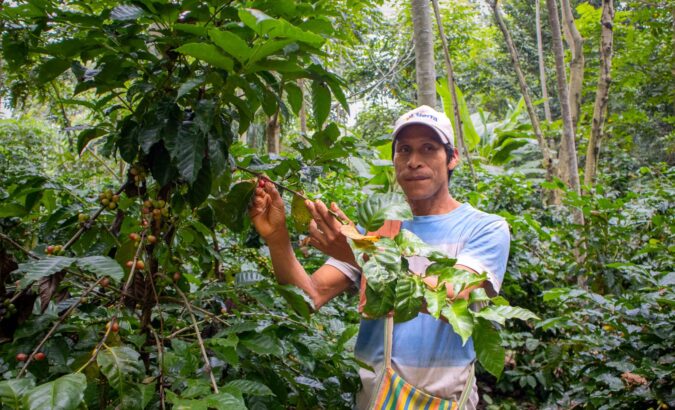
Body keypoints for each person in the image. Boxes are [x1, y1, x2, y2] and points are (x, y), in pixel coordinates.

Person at [249, 105, 510, 410]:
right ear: (394, 159)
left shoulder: (485, 227)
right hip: (373, 400)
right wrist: (276, 236)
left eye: (428, 148)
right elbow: (310, 296)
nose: (414, 162)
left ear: (452, 158)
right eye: (404, 150)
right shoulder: (377, 229)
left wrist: (361, 255)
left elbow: (449, 297)